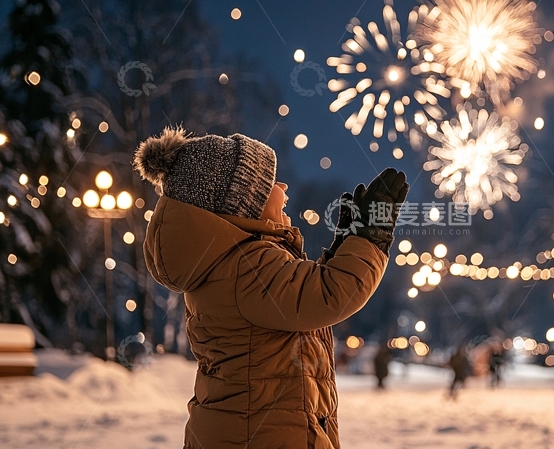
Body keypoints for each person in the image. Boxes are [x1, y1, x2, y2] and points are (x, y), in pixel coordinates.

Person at [135, 126, 408, 449]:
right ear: (245, 203)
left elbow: (298, 296)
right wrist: (368, 238)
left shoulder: (231, 264)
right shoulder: (246, 265)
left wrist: (341, 249)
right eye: (270, 183)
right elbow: (328, 295)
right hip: (261, 436)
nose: (283, 186)